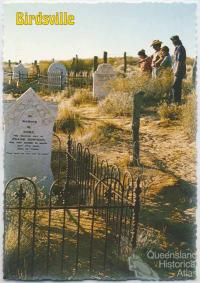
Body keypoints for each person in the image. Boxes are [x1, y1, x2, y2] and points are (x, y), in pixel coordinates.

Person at [170, 35, 186, 104]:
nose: (172, 42)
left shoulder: (180, 48)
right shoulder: (177, 48)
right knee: (177, 86)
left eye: (173, 41)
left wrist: (176, 70)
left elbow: (179, 61)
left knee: (175, 86)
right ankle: (177, 102)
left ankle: (176, 102)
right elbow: (175, 60)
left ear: (176, 41)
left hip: (179, 70)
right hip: (176, 69)